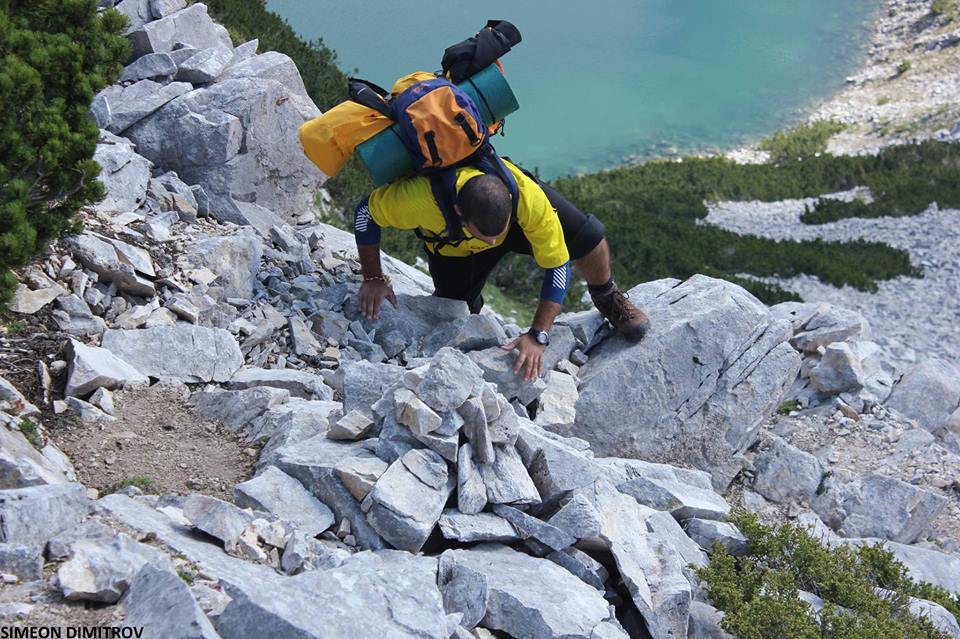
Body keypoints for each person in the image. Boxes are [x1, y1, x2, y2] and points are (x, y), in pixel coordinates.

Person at [353, 158, 650, 380]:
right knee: (454, 305)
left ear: (509, 199)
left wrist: (538, 335)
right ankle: (476, 328)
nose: (493, 242)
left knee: (588, 237)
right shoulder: (418, 200)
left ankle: (608, 297)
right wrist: (374, 277)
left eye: (497, 234)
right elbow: (366, 213)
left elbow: (558, 265)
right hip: (456, 245)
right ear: (457, 212)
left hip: (513, 223)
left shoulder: (528, 200)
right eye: (487, 237)